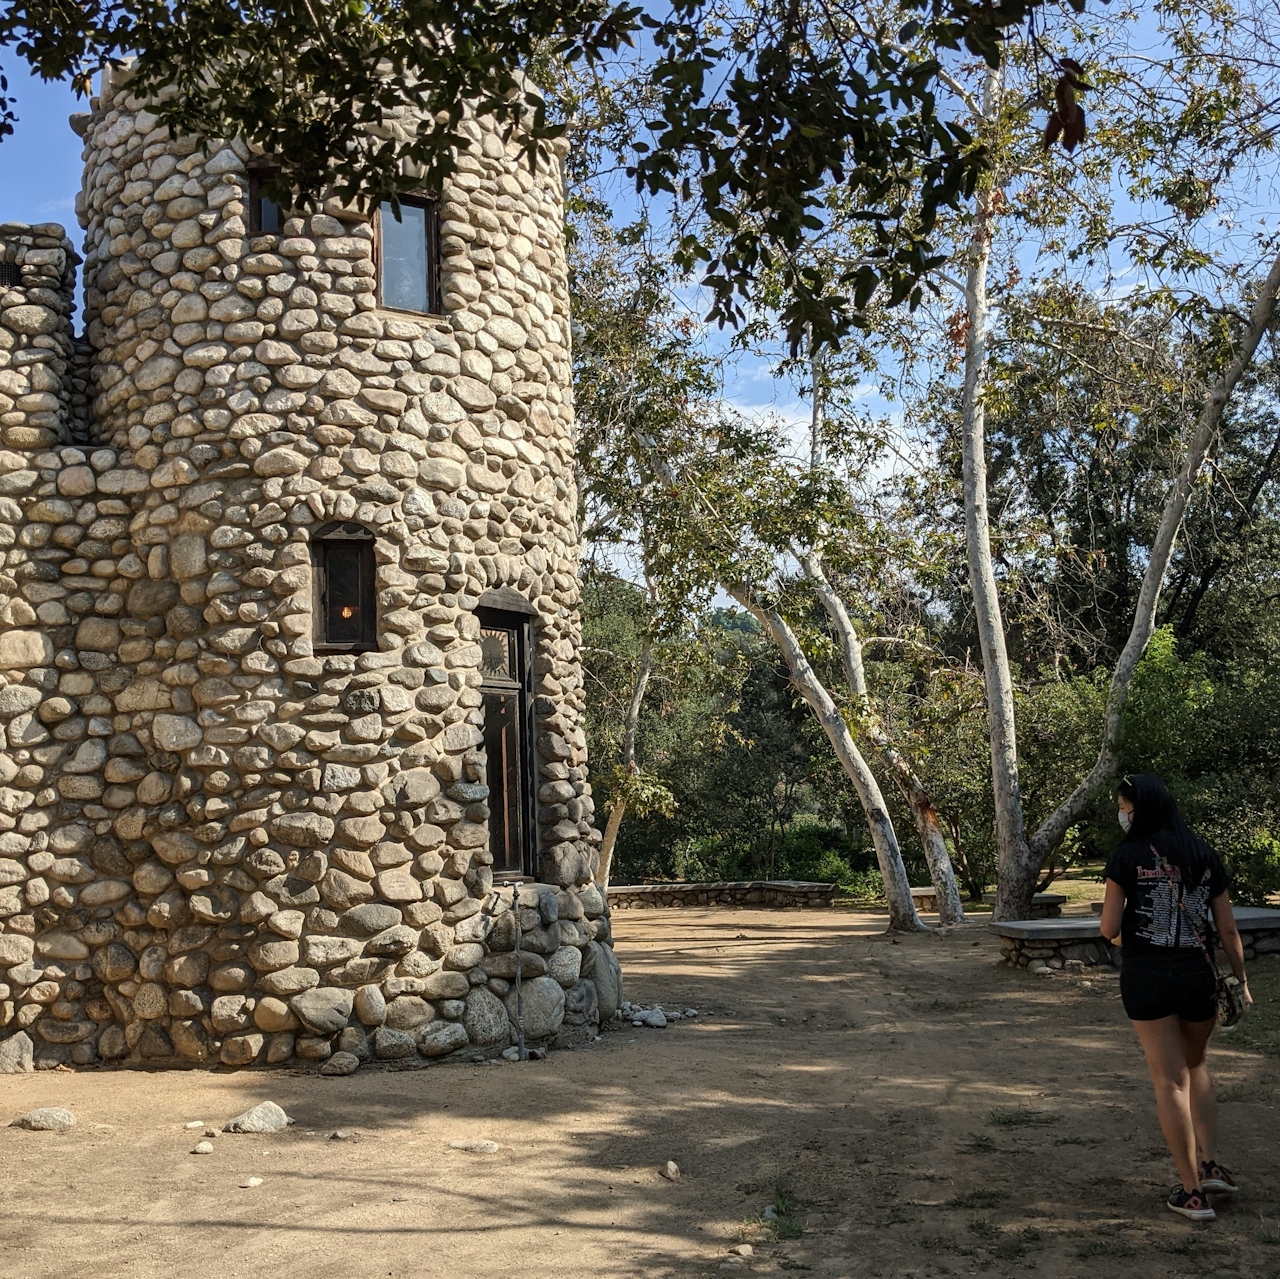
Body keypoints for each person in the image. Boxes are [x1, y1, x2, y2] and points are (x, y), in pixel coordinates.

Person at [1099, 773, 1253, 1221]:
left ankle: (1190, 1194)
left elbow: (1109, 929)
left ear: (1139, 808)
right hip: (1197, 976)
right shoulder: (1202, 854)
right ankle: (1209, 1166)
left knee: (1170, 1081)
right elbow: (1227, 929)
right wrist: (1240, 979)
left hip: (1147, 977)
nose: (1122, 813)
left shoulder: (1126, 856)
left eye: (1124, 805)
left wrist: (1140, 936)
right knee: (1197, 1064)